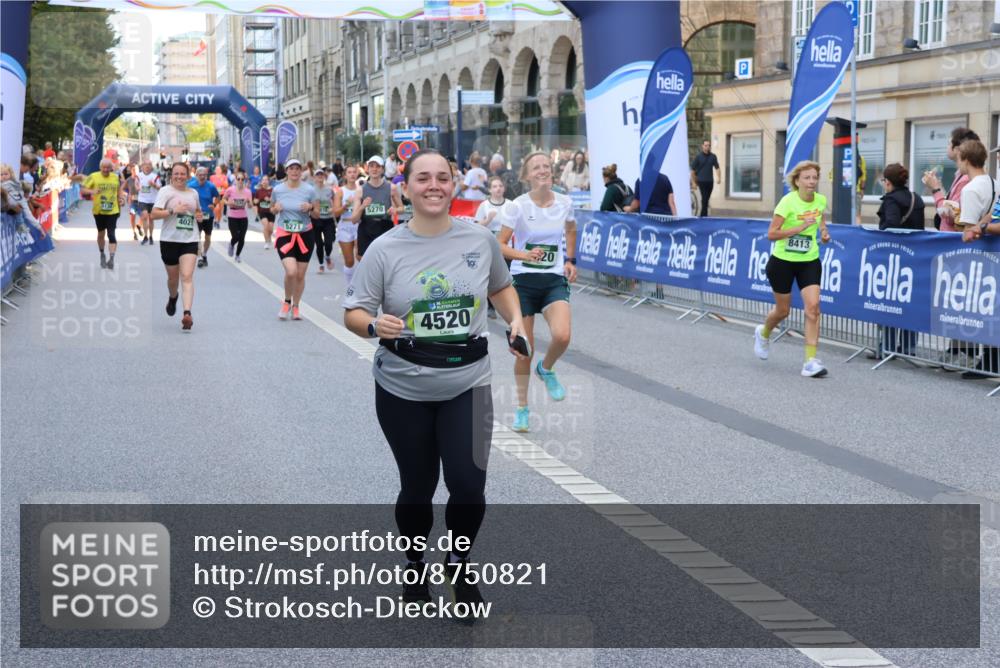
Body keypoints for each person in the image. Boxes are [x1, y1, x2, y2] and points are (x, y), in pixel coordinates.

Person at [343, 149, 527, 617]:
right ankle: (414, 564)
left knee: (469, 486)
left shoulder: (479, 239)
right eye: (422, 178)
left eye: (442, 177)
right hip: (403, 388)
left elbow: (500, 287)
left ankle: (459, 564)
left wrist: (515, 321)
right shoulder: (385, 249)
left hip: (469, 382)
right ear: (405, 187)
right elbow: (354, 312)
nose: (433, 186)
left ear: (454, 184)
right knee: (418, 487)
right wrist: (374, 326)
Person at [497, 151, 577, 432]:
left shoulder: (565, 203)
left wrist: (570, 260)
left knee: (562, 335)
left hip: (553, 279)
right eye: (536, 167)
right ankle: (522, 408)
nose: (543, 170)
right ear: (527, 175)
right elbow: (499, 244)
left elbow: (571, 230)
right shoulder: (517, 206)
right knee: (525, 350)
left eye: (546, 166)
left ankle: (547, 368)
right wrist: (524, 255)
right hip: (524, 281)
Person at [753, 161, 830, 377]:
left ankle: (810, 361)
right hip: (782, 262)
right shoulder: (787, 202)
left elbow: (821, 223)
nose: (812, 181)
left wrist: (824, 233)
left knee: (813, 308)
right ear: (797, 181)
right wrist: (799, 228)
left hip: (809, 260)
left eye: (814, 177)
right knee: (783, 311)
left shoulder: (821, 201)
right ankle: (763, 332)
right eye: (807, 178)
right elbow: (771, 234)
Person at [954, 139, 1000, 380]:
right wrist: (983, 223)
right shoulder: (994, 182)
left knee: (983, 308)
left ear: (966, 159)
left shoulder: (971, 189)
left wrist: (975, 227)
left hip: (982, 257)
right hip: (992, 254)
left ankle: (985, 360)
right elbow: (992, 216)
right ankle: (989, 360)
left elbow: (969, 233)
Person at [874, 163, 925, 357]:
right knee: (910, 302)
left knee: (889, 302)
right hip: (914, 258)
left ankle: (887, 346)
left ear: (887, 182)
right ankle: (908, 347)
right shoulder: (916, 198)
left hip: (893, 258)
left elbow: (891, 225)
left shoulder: (891, 200)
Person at [151, 163, 203, 331]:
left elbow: (198, 211)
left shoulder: (193, 193)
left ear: (188, 175)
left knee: (187, 276)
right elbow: (154, 214)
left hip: (190, 240)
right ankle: (173, 297)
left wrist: (199, 216)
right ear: (171, 175)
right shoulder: (165, 191)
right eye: (176, 173)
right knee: (173, 280)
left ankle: (187, 313)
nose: (179, 176)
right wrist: (173, 211)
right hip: (169, 240)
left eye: (182, 174)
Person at [271, 158, 319, 320]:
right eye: (291, 168)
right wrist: (275, 209)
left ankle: (296, 306)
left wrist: (310, 207)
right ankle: (286, 301)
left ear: (301, 171)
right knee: (291, 271)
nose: (294, 171)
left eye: (297, 168)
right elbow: (271, 208)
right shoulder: (278, 190)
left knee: (300, 275)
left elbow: (317, 213)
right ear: (286, 171)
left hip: (305, 235)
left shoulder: (309, 190)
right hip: (285, 234)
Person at [923, 127, 980, 232]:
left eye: (949, 143)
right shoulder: (961, 175)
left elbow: (949, 216)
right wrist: (938, 186)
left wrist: (935, 189)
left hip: (954, 239)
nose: (947, 147)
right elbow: (951, 205)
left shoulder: (966, 179)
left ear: (958, 149)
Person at [77, 158, 127, 270]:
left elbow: (118, 191)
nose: (105, 169)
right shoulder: (93, 176)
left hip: (113, 210)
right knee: (101, 234)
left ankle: (112, 258)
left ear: (111, 168)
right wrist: (92, 191)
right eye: (103, 167)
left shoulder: (115, 177)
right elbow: (83, 190)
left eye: (108, 168)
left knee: (111, 234)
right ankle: (102, 253)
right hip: (99, 211)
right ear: (100, 168)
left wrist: (122, 199)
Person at [352, 156, 403, 259]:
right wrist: (362, 207)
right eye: (371, 166)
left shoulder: (391, 188)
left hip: (385, 227)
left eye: (378, 166)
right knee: (363, 260)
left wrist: (395, 210)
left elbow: (402, 208)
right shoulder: (360, 190)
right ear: (367, 169)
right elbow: (354, 220)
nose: (374, 169)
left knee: (385, 260)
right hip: (366, 227)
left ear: (382, 169)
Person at [334, 163, 361, 284]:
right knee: (349, 261)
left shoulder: (361, 190)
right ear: (345, 175)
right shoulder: (340, 191)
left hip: (359, 225)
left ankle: (361, 285)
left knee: (360, 257)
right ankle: (350, 286)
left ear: (357, 174)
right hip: (345, 226)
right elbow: (336, 212)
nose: (352, 175)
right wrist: (346, 205)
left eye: (354, 172)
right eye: (349, 172)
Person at [188, 167, 220, 268]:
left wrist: (214, 205)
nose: (202, 177)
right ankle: (200, 257)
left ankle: (204, 253)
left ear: (207, 176)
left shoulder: (211, 186)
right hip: (196, 215)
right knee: (197, 236)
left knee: (208, 237)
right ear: (196, 176)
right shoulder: (191, 186)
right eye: (200, 175)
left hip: (208, 215)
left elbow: (218, 197)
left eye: (204, 175)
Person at [311, 169, 338, 273]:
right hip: (316, 219)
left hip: (328, 219)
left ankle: (327, 256)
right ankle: (321, 264)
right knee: (319, 244)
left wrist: (333, 208)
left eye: (321, 174)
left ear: (324, 177)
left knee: (329, 242)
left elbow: (336, 201)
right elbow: (308, 203)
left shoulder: (329, 189)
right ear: (314, 177)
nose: (320, 176)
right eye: (317, 175)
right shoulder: (311, 190)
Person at [224, 172, 253, 263]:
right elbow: (223, 199)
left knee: (242, 238)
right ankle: (232, 244)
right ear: (235, 180)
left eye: (242, 179)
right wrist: (229, 203)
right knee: (235, 236)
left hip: (243, 217)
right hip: (232, 216)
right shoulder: (230, 190)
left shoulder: (248, 191)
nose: (240, 181)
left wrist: (249, 202)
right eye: (238, 179)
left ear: (244, 181)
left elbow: (250, 206)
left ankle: (237, 255)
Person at [690, 139, 721, 217]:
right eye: (706, 145)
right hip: (701, 181)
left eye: (709, 145)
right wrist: (693, 182)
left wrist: (719, 177)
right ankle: (703, 216)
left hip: (710, 182)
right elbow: (692, 171)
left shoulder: (713, 156)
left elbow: (717, 168)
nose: (708, 147)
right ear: (702, 146)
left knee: (706, 199)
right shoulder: (698, 157)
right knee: (704, 199)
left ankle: (703, 216)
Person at [135, 159, 161, 245]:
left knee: (151, 219)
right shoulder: (139, 175)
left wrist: (153, 185)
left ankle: (151, 236)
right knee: (145, 216)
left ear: (151, 166)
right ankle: (145, 236)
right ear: (142, 166)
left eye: (149, 165)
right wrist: (137, 187)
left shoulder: (155, 176)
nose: (147, 166)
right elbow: (136, 184)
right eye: (145, 164)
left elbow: (159, 187)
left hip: (153, 200)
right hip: (142, 200)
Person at [254, 175, 275, 249]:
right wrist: (257, 201)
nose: (264, 181)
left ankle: (269, 237)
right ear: (261, 182)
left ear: (268, 181)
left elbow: (276, 201)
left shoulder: (273, 190)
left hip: (271, 211)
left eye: (266, 180)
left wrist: (269, 200)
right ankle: (266, 242)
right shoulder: (258, 191)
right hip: (262, 211)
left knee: (271, 229)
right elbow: (255, 201)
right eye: (263, 180)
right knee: (266, 226)